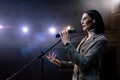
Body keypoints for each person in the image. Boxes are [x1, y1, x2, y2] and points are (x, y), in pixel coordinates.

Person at [45, 10, 108, 80]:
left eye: (85, 19)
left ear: (94, 20)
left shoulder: (101, 40)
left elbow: (83, 63)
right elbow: (77, 64)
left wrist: (67, 43)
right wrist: (58, 62)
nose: (81, 21)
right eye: (81, 20)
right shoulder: (84, 40)